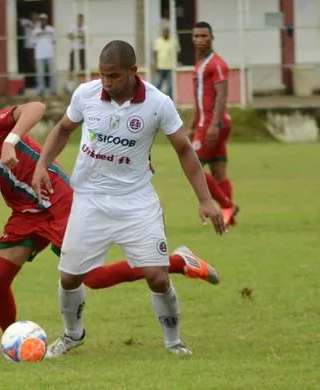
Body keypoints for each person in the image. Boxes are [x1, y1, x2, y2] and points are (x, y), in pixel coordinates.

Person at [0, 97, 221, 341]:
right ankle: (13, 341)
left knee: (91, 279)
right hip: (25, 213)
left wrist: (11, 139)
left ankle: (177, 261)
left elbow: (34, 107)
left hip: (60, 201)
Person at [32, 40, 225, 357]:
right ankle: (72, 335)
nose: (107, 82)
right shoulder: (86, 94)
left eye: (114, 76)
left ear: (134, 72)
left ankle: (174, 342)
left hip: (136, 201)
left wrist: (205, 199)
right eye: (103, 75)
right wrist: (42, 165)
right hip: (90, 199)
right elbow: (63, 129)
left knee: (157, 277)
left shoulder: (158, 103)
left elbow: (185, 151)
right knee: (69, 277)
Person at [191, 21, 238, 226]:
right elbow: (201, 97)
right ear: (192, 38)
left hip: (212, 124)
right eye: (197, 36)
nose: (201, 40)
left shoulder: (217, 64)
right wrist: (193, 123)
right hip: (206, 122)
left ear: (212, 37)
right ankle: (230, 217)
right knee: (219, 172)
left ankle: (227, 205)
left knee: (193, 166)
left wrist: (213, 125)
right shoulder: (200, 63)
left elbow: (222, 95)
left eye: (204, 36)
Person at [33, 13, 57, 95]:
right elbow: (33, 43)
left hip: (50, 54)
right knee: (40, 74)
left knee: (52, 73)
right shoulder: (35, 31)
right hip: (39, 55)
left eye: (44, 19)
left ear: (46, 20)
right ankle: (40, 90)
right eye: (41, 19)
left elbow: (54, 41)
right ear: (39, 21)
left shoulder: (51, 30)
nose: (43, 21)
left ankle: (53, 90)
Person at [153, 26, 179, 97]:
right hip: (160, 67)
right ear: (162, 33)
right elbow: (155, 53)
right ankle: (156, 99)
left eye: (167, 32)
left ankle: (171, 102)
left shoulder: (173, 42)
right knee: (158, 85)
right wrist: (156, 64)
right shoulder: (158, 41)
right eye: (164, 32)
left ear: (169, 33)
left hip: (170, 67)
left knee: (170, 86)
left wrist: (176, 63)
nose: (165, 33)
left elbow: (177, 52)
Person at [66, 14, 86, 93]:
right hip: (74, 49)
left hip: (82, 49)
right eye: (79, 19)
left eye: (81, 19)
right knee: (71, 68)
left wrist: (79, 35)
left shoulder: (85, 27)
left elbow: (85, 38)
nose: (80, 21)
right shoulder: (72, 26)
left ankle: (83, 85)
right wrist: (78, 35)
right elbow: (69, 35)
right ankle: (69, 86)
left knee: (83, 68)